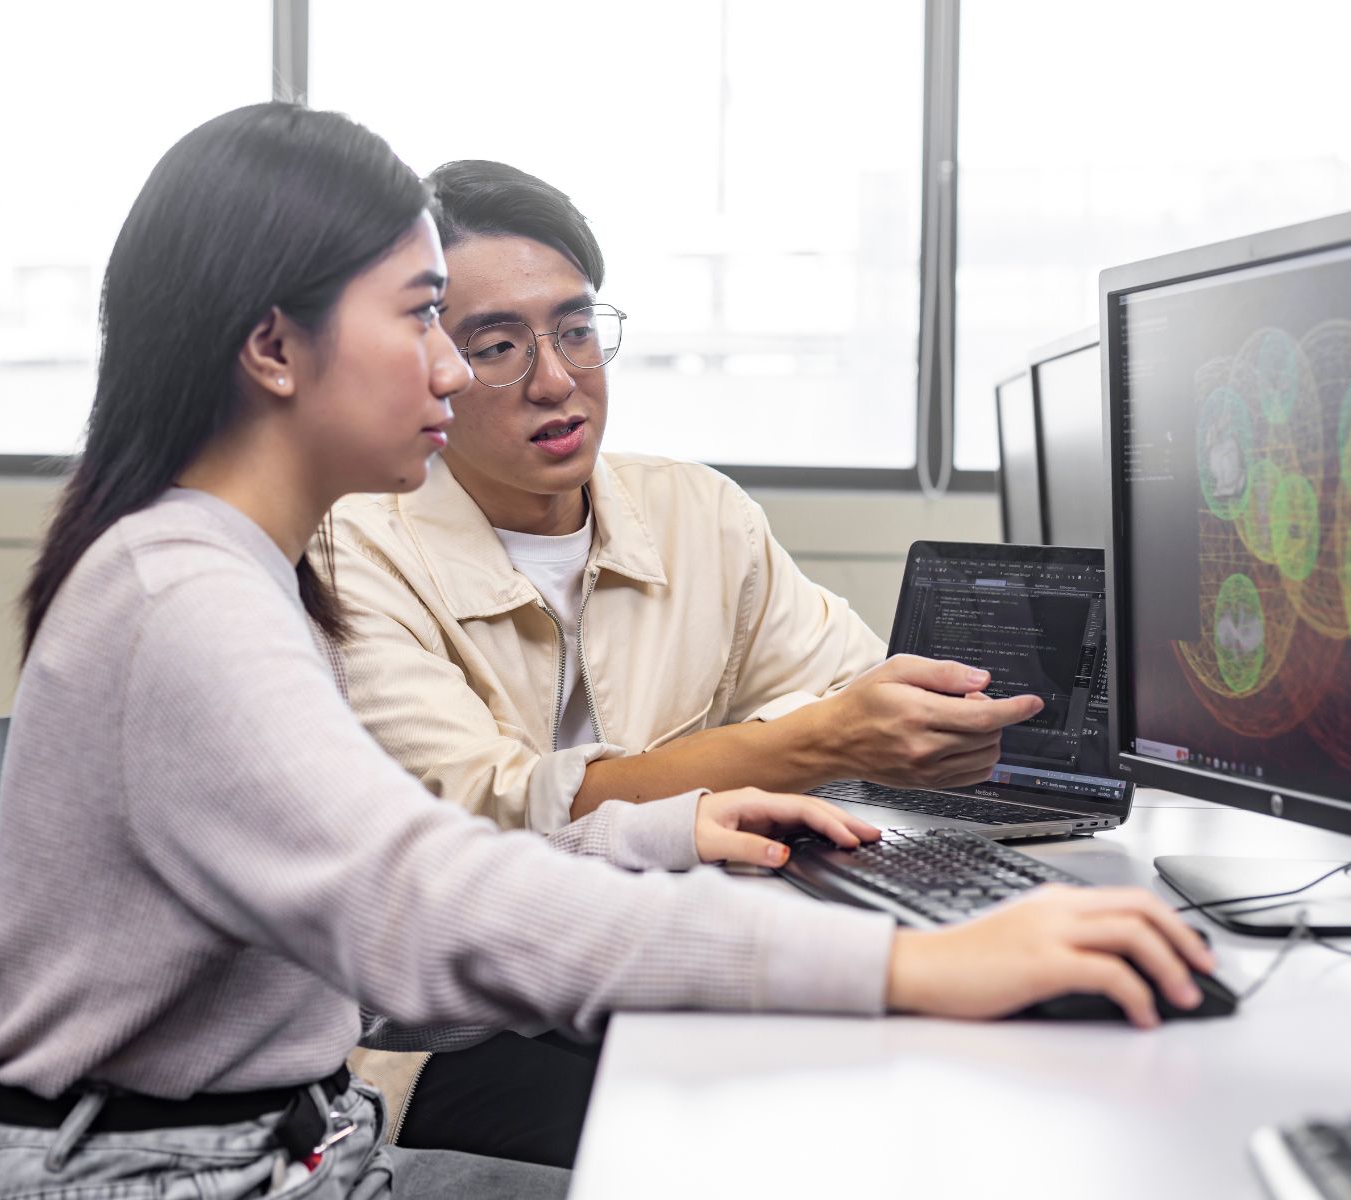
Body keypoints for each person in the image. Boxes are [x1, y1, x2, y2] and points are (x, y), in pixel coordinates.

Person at [0, 103, 1215, 1200]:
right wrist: (909, 962)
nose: (460, 369)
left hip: (291, 1148)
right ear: (275, 348)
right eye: (430, 321)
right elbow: (420, 917)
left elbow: (375, 934)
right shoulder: (186, 600)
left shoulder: (222, 570)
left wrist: (660, 834)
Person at [326, 161, 1054, 1160]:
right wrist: (820, 741)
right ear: (431, 363)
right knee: (752, 1148)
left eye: (576, 331)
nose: (555, 379)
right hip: (461, 1034)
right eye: (496, 346)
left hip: (664, 971)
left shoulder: (694, 513)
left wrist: (934, 728)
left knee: (938, 1092)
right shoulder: (354, 550)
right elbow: (489, 820)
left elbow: (848, 684)